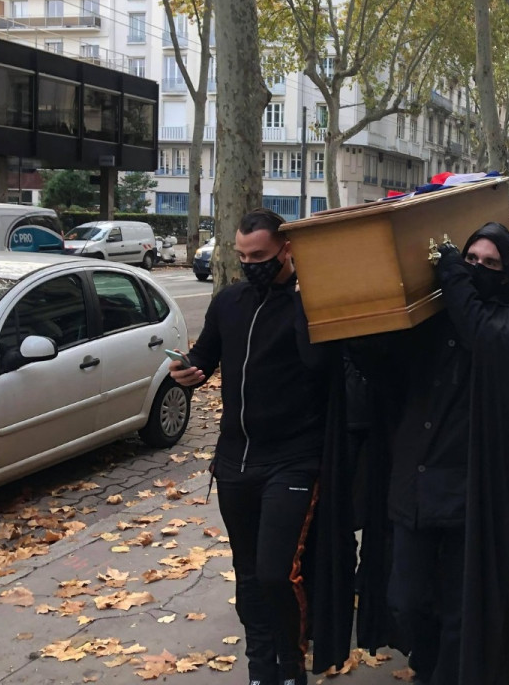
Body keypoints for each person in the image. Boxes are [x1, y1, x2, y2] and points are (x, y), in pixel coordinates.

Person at [359, 222, 509, 685]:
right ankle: (428, 660)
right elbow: (385, 369)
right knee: (406, 599)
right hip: (414, 483)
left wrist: (453, 269)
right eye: (470, 259)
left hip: (468, 488)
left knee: (460, 606)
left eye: (489, 263)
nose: (476, 268)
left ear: (507, 271)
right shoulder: (434, 321)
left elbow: (481, 331)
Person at [170, 208, 338, 685]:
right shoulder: (229, 301)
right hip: (234, 461)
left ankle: (291, 662)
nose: (250, 263)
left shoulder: (310, 302)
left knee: (275, 573)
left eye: (259, 255)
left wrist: (307, 298)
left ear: (287, 249)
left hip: (294, 460)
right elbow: (204, 357)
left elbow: (319, 365)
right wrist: (186, 373)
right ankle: (261, 667)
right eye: (242, 256)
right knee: (247, 577)